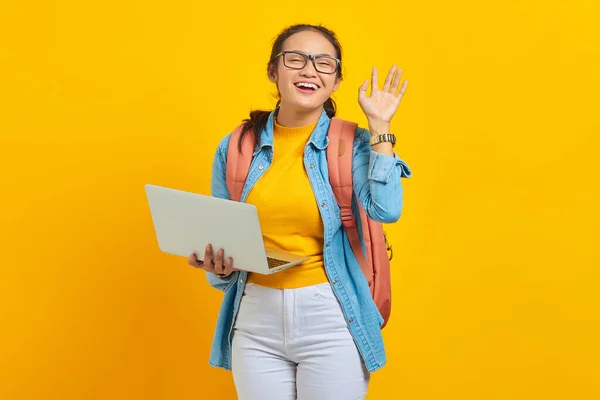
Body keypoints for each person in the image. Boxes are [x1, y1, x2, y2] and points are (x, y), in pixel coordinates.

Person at [188, 23, 412, 400]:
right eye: (296, 59)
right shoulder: (236, 147)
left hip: (331, 315)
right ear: (274, 72)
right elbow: (223, 244)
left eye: (324, 63)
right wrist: (218, 265)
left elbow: (386, 210)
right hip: (255, 319)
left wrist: (380, 126)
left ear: (337, 80)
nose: (309, 70)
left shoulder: (352, 143)